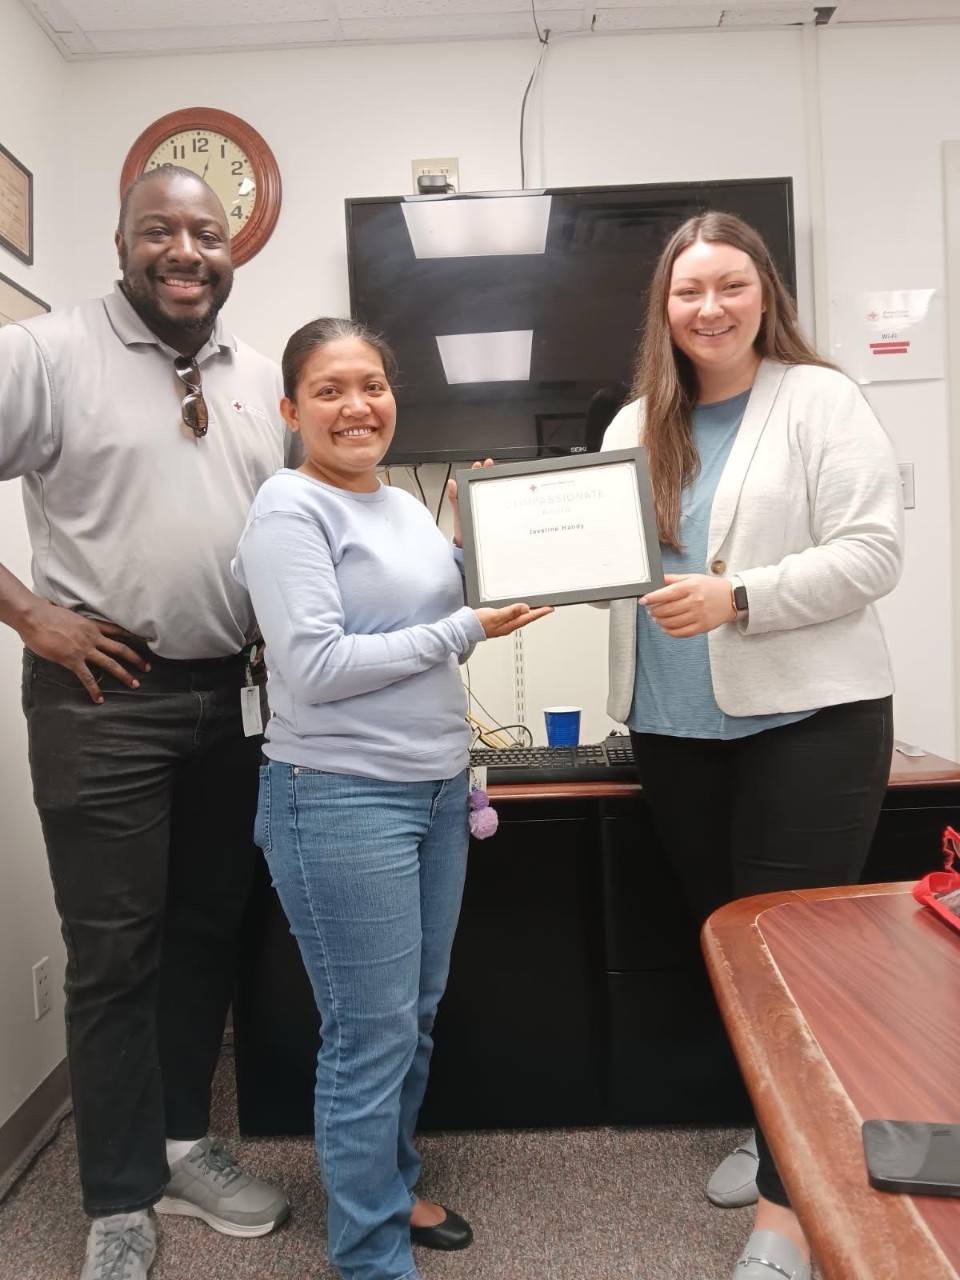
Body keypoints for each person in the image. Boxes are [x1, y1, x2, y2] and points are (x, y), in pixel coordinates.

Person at [0, 165, 292, 1280]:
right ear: (121, 241)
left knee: (205, 929)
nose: (185, 249)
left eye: (205, 232)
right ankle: (118, 1196)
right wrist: (33, 616)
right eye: (159, 230)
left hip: (235, 698)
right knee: (113, 952)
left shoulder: (263, 375)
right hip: (103, 698)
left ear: (233, 251)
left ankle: (178, 1140)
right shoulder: (45, 353)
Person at [600, 211, 902, 1280]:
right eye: (689, 292)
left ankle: (787, 1221)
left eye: (730, 285)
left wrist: (741, 595)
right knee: (732, 956)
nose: (711, 308)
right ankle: (783, 1136)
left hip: (807, 724)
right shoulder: (636, 422)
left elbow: (873, 554)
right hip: (676, 729)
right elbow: (604, 562)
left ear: (764, 292)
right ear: (665, 308)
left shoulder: (820, 400)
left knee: (794, 970)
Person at [232, 316, 551, 1280]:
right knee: (368, 1032)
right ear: (293, 410)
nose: (356, 406)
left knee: (410, 1014)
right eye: (329, 390)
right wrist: (461, 627)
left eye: (370, 385)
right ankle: (369, 1252)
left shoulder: (403, 506)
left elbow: (433, 608)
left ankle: (390, 1185)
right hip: (337, 795)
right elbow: (319, 666)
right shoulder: (289, 508)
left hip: (434, 790)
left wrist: (483, 535)